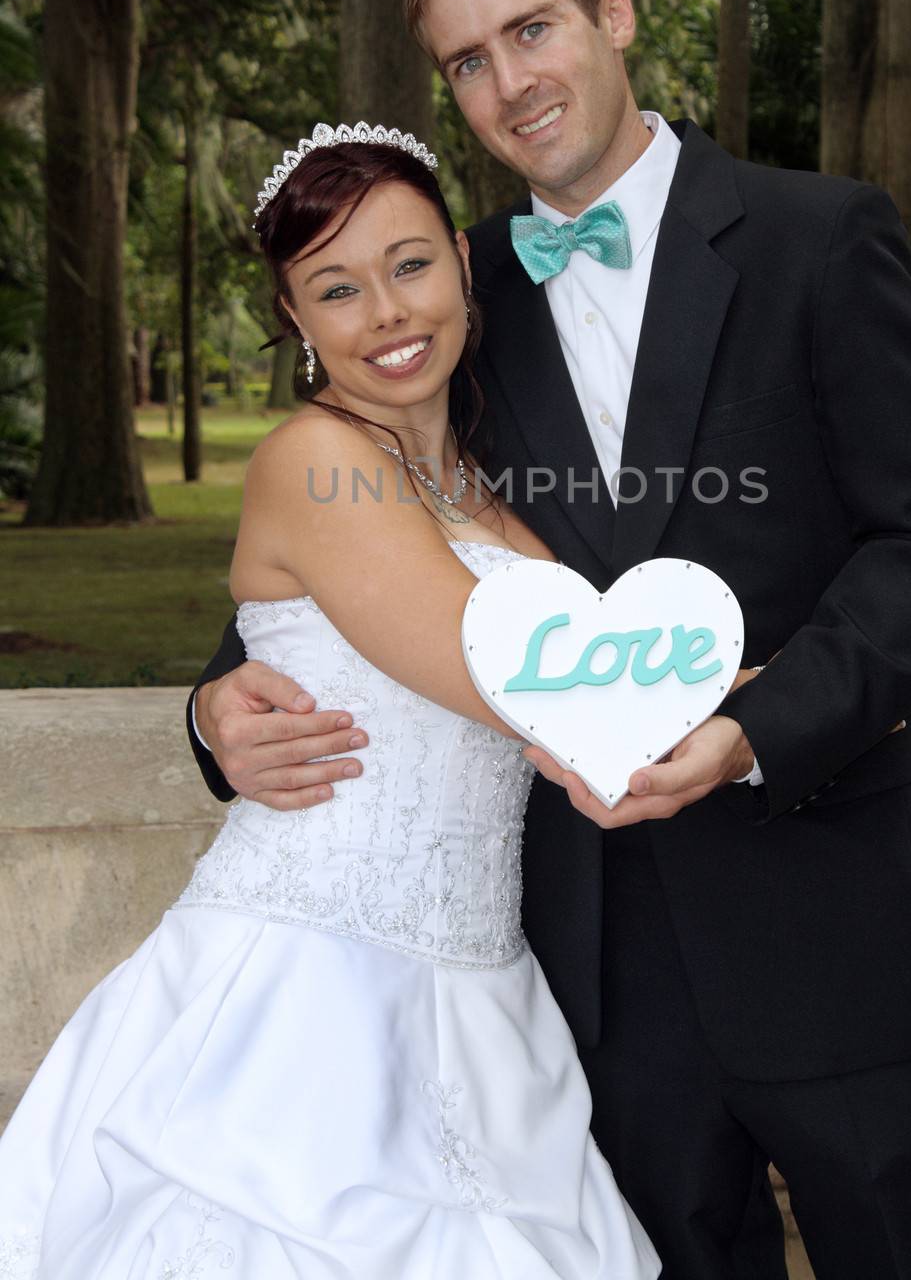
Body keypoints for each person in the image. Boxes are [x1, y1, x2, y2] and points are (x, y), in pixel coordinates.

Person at [189, 0, 911, 1280]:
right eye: (466, 60)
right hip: (587, 970)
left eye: (531, 29)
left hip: (831, 925)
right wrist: (215, 707)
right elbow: (344, 536)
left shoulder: (818, 239)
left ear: (612, 14)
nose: (508, 83)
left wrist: (757, 727)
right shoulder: (447, 291)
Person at [0, 130, 663, 1278]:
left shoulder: (486, 481)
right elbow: (514, 673)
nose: (386, 314)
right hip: (307, 988)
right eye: (335, 289)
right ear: (294, 315)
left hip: (483, 986)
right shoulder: (312, 462)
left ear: (461, 260)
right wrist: (766, 701)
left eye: (409, 265)